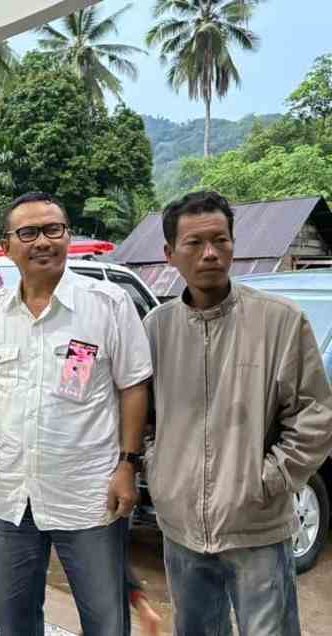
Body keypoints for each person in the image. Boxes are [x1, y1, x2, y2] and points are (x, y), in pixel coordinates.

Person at [143, 191, 332, 636]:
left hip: (257, 526)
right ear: (169, 253)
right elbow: (142, 416)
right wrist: (161, 471)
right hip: (181, 525)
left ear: (233, 244)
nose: (210, 253)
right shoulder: (156, 328)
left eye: (220, 240)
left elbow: (315, 416)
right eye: (194, 243)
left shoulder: (280, 321)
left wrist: (266, 480)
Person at [0, 192, 152, 636]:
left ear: (68, 236)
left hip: (88, 494)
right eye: (27, 233)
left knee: (105, 621)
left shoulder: (106, 303)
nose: (42, 242)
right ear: (6, 245)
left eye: (54, 229)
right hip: (13, 493)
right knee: (12, 619)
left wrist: (128, 465)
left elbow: (134, 387)